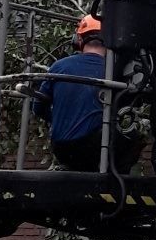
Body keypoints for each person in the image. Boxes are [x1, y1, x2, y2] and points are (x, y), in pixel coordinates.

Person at [32, 15, 107, 171]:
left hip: (62, 149)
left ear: (78, 39)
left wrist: (60, 117)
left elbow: (37, 107)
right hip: (96, 150)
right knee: (132, 135)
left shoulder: (59, 66)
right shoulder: (114, 72)